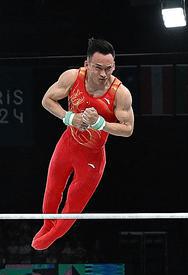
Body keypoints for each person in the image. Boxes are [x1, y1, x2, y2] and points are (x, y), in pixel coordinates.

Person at [31, 38, 134, 251]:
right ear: (87, 64)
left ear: (114, 66)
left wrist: (101, 123)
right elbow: (47, 100)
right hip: (67, 144)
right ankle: (47, 225)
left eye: (108, 68)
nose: (104, 74)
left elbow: (128, 129)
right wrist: (69, 117)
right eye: (98, 68)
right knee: (52, 191)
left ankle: (49, 238)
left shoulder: (120, 93)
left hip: (92, 156)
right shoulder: (72, 77)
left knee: (72, 206)